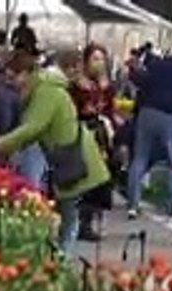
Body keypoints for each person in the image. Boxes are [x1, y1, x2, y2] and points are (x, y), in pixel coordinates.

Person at [0, 49, 110, 257]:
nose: (13, 84)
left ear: (27, 73)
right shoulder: (41, 89)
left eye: (15, 77)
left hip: (74, 158)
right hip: (65, 157)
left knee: (68, 216)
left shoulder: (46, 90)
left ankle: (61, 264)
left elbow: (32, 128)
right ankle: (57, 261)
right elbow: (31, 131)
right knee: (64, 214)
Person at [126, 48, 172, 218]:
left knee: (140, 158)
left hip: (147, 113)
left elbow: (141, 81)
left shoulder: (158, 64)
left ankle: (133, 204)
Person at [69, 44, 116, 242]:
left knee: (101, 178)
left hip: (102, 136)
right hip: (83, 133)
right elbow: (71, 109)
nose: (99, 63)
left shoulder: (106, 86)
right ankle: (79, 221)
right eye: (95, 59)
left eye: (102, 59)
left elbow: (109, 109)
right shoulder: (77, 85)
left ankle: (91, 219)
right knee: (84, 179)